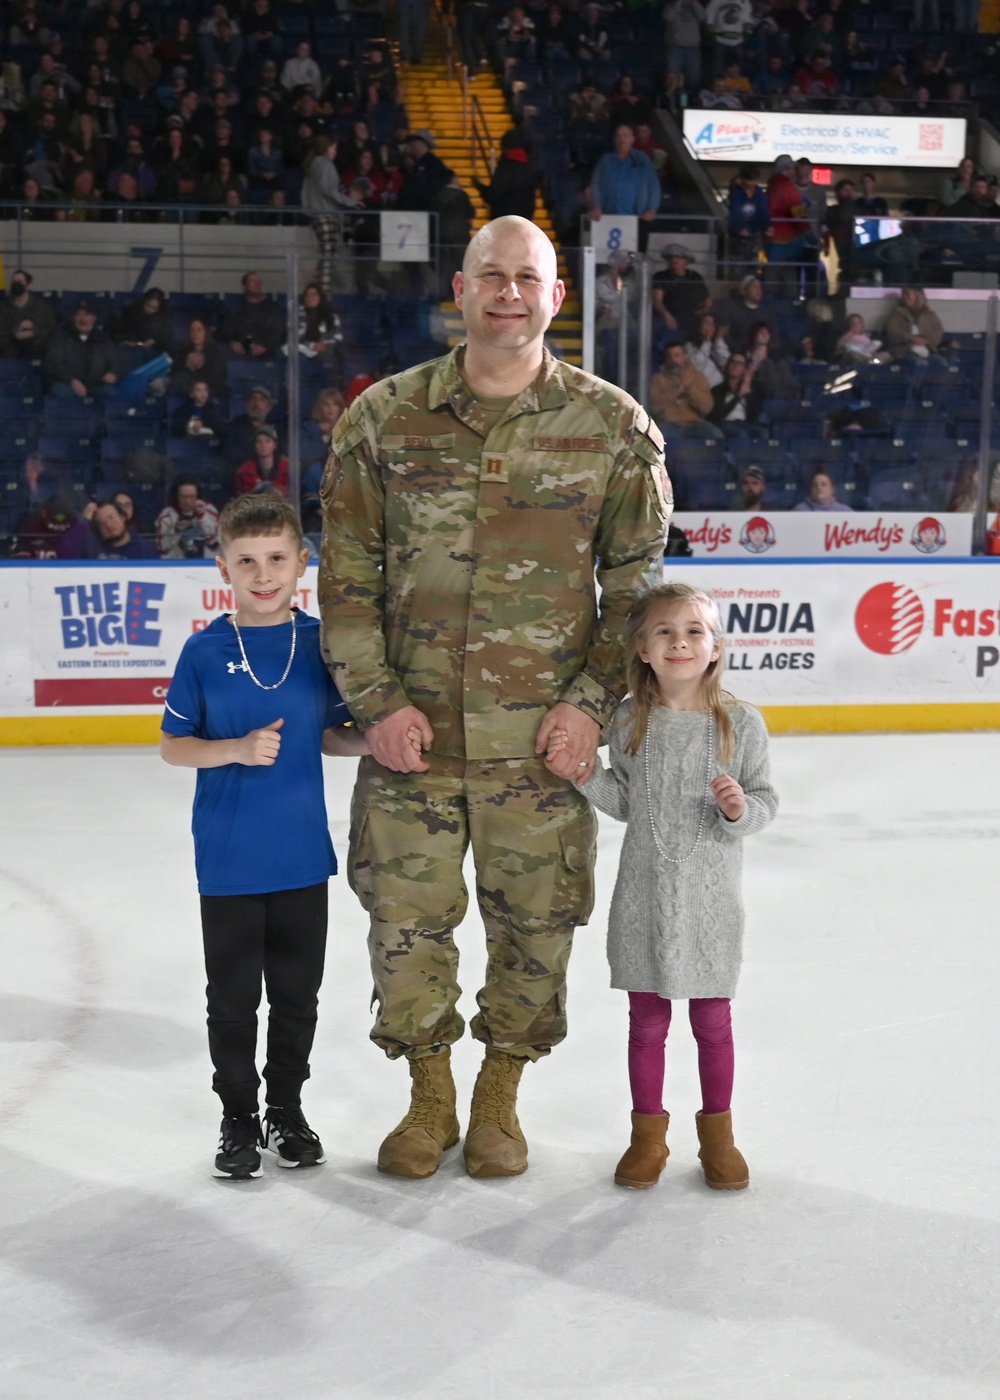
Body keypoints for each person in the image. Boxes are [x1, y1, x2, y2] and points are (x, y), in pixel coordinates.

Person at [319, 214, 668, 1183]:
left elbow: (635, 589)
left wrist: (592, 705)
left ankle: (498, 1094)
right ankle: (429, 1093)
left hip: (539, 751)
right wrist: (377, 699)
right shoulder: (382, 419)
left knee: (534, 929)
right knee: (405, 928)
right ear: (461, 289)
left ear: (556, 296)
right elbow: (344, 579)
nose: (508, 291)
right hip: (410, 745)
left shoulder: (612, 429)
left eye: (527, 277)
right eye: (491, 275)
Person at [160, 492, 368, 1179]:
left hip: (302, 855)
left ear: (301, 563)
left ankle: (286, 1111)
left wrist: (375, 741)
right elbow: (174, 747)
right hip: (228, 859)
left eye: (277, 558)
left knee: (297, 997)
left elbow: (331, 737)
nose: (263, 573)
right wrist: (235, 749)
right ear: (224, 566)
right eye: (246, 561)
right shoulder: (205, 650)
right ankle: (237, 1118)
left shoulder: (317, 644)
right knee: (233, 1000)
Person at [568, 582, 777, 1190]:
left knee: (712, 1023)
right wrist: (586, 776)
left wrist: (740, 809)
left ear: (715, 647)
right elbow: (628, 803)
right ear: (642, 647)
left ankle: (719, 1136)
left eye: (694, 632)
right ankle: (647, 1138)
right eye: (665, 632)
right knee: (647, 1024)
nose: (680, 642)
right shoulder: (629, 719)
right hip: (644, 897)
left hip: (711, 903)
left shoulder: (740, 723)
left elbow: (765, 800)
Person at [43, 300, 120, 397]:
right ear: (73, 318)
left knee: (110, 392)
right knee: (61, 392)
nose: (82, 319)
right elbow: (54, 364)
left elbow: (117, 362)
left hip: (95, 386)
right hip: (67, 385)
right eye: (78, 315)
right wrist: (72, 381)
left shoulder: (103, 340)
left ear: (93, 318)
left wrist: (113, 373)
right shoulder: (61, 338)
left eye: (86, 315)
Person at [649, 342, 722, 443]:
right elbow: (654, 407)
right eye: (670, 356)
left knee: (715, 434)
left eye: (677, 355)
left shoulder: (698, 376)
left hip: (695, 424)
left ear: (685, 357)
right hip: (668, 424)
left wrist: (690, 389)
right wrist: (678, 390)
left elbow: (707, 408)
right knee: (654, 437)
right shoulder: (658, 379)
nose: (673, 359)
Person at [589, 124, 661, 226]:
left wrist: (652, 209)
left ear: (632, 139)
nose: (621, 138)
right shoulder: (605, 160)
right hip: (607, 216)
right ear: (614, 140)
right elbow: (595, 183)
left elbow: (653, 184)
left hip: (637, 217)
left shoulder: (642, 159)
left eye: (625, 135)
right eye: (618, 136)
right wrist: (596, 206)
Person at [473, 129, 536, 222]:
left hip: (504, 221)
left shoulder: (506, 167)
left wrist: (479, 187)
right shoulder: (529, 167)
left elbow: (493, 194)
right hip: (524, 221)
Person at [653, 244, 711, 342]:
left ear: (686, 261)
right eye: (671, 258)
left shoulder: (695, 277)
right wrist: (667, 316)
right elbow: (656, 300)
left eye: (678, 258)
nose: (674, 261)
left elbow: (708, 300)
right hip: (667, 316)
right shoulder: (661, 276)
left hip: (691, 317)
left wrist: (703, 312)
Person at [220, 270, 285, 358]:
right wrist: (234, 343)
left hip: (266, 351)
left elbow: (278, 333)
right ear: (245, 285)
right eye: (253, 282)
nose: (257, 284)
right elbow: (227, 331)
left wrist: (265, 346)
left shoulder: (271, 308)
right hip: (240, 351)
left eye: (259, 282)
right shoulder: (236, 309)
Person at [156, 475, 222, 556]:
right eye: (183, 497)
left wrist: (202, 517)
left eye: (191, 497)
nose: (187, 501)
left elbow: (215, 542)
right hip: (177, 564)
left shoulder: (209, 510)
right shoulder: (167, 516)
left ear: (197, 496)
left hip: (207, 564)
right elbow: (162, 548)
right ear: (176, 496)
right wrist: (176, 530)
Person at [0, 267, 56, 358]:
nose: (16, 284)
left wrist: (33, 332)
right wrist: (16, 330)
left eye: (20, 281)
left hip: (35, 349)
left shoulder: (41, 308)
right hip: (10, 349)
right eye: (14, 281)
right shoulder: (3, 308)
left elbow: (51, 329)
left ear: (29, 286)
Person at [234, 424, 290, 497]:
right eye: (259, 441)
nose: (263, 445)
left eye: (268, 441)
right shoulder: (244, 471)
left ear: (275, 445)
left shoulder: (287, 469)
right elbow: (239, 499)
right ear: (255, 445)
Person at [684, 311, 730, 388]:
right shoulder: (689, 346)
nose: (710, 326)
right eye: (706, 323)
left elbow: (727, 363)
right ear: (699, 326)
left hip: (721, 387)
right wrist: (706, 343)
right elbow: (696, 366)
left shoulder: (718, 344)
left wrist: (718, 341)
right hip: (703, 389)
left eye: (712, 324)